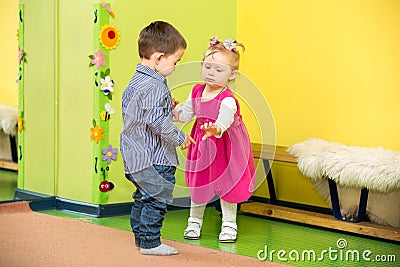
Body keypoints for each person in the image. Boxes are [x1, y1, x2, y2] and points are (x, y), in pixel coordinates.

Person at [120, 21, 195, 256]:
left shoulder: (136, 81)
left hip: (135, 155)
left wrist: (165, 106)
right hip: (155, 157)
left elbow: (139, 112)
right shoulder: (154, 85)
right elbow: (157, 123)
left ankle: (141, 239)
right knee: (157, 198)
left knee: (142, 198)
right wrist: (179, 136)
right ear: (159, 58)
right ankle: (151, 242)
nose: (175, 66)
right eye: (175, 61)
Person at [173, 36, 255, 243]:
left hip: (226, 145)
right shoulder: (197, 91)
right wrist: (174, 110)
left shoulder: (227, 99)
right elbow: (186, 114)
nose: (211, 73)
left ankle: (229, 225)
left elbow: (224, 122)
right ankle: (194, 222)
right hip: (203, 144)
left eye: (219, 70)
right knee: (198, 183)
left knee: (227, 184)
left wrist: (215, 128)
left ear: (232, 75)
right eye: (207, 67)